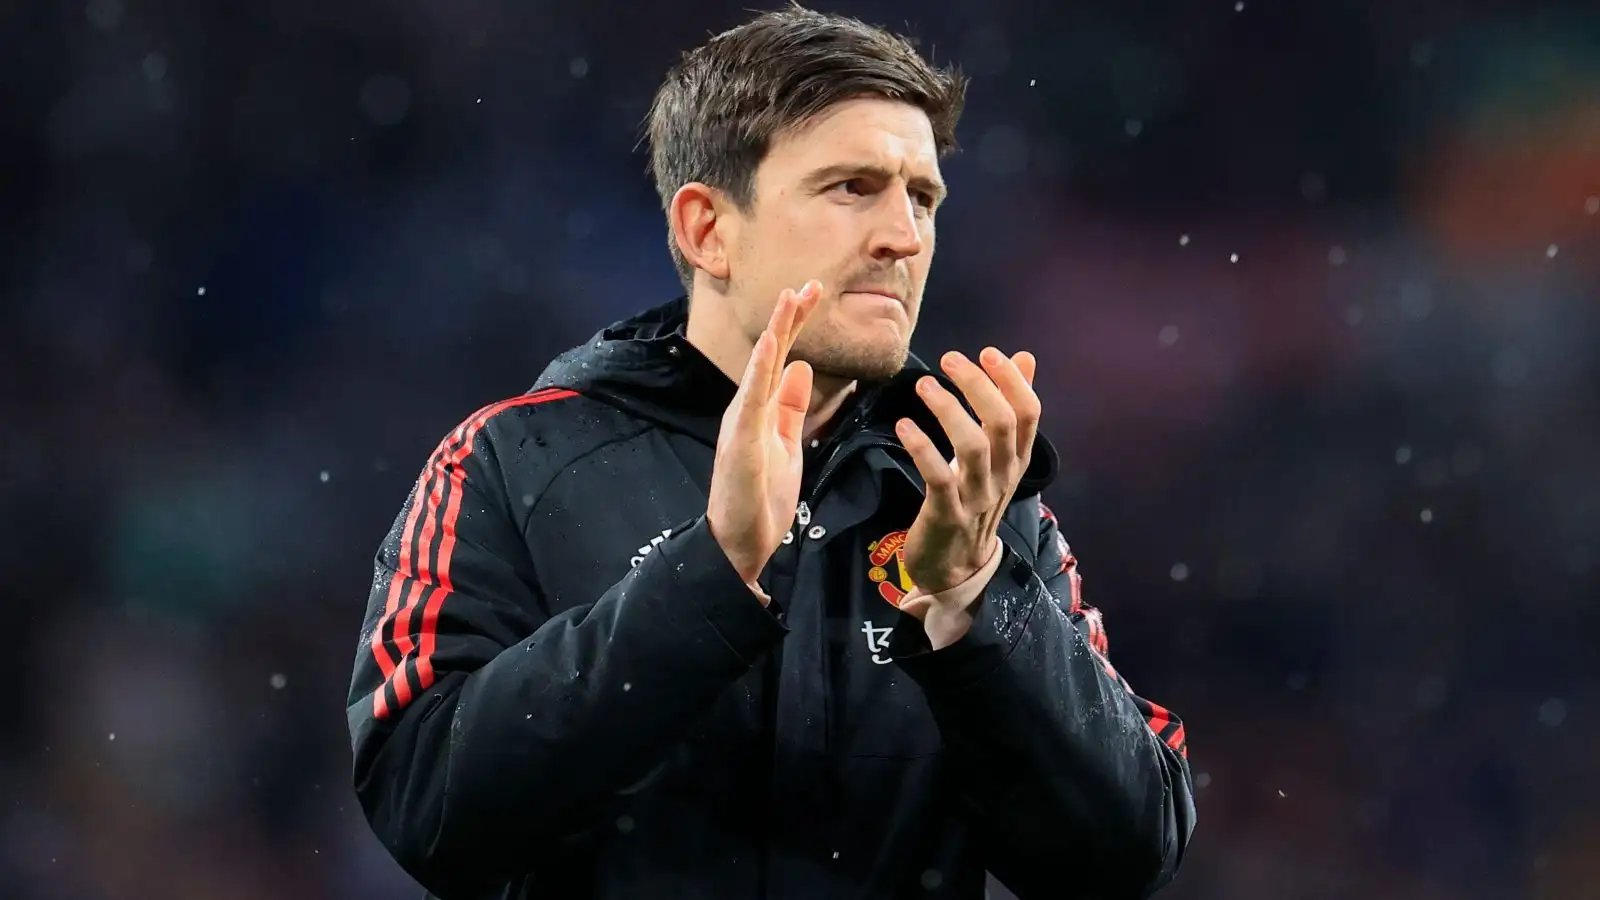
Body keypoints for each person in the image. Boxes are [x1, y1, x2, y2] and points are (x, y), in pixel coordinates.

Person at [346, 7, 1196, 899]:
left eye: (922, 198)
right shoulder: (512, 462)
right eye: (851, 188)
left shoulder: (967, 490)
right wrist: (711, 572)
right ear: (707, 229)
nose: (905, 237)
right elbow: (428, 809)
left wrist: (972, 602)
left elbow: (1126, 857)